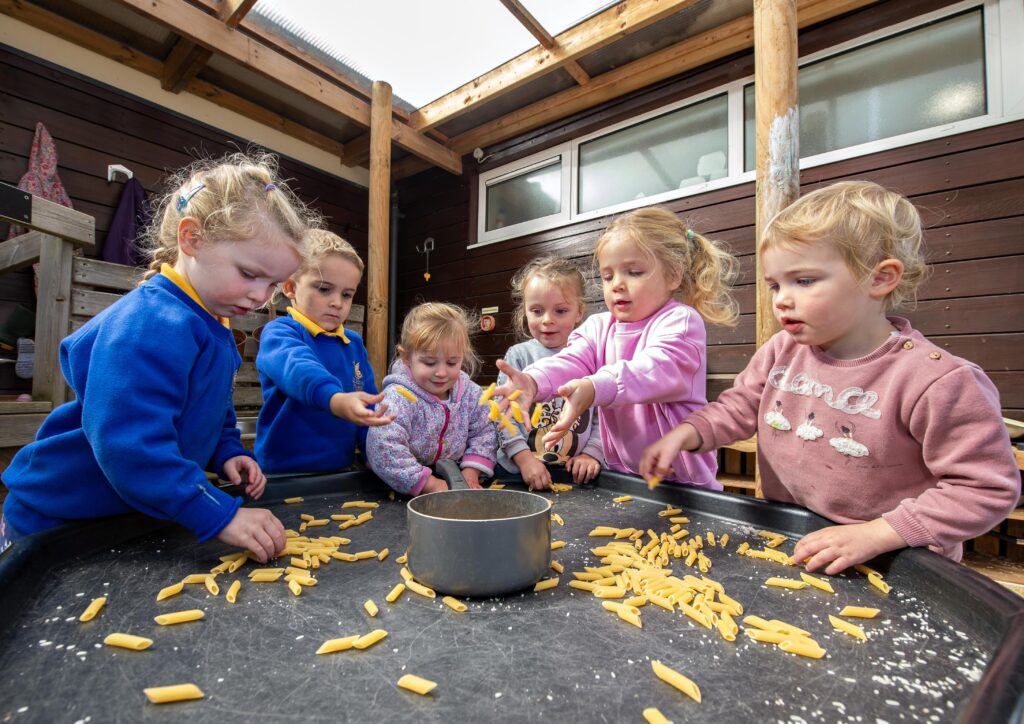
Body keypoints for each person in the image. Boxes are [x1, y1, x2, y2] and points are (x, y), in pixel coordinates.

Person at [640, 180, 1020, 573]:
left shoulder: (936, 380)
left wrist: (879, 533)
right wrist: (687, 433)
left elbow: (986, 488)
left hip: (897, 562)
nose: (782, 299)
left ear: (880, 278)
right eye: (775, 285)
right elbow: (738, 409)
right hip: (796, 541)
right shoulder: (781, 352)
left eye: (804, 281)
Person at [0, 153, 312, 562]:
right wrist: (219, 515)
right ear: (191, 239)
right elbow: (129, 443)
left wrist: (228, 451)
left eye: (272, 283)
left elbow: (212, 408)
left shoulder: (212, 321)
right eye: (249, 274)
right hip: (56, 521)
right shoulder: (151, 322)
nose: (260, 295)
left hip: (125, 516)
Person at [495, 207, 738, 487]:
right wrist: (534, 381)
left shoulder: (681, 322)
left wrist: (594, 387)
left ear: (673, 276)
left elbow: (653, 370)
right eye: (608, 276)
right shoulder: (598, 327)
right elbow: (571, 360)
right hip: (624, 474)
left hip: (684, 482)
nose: (617, 285)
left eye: (633, 272)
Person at [255, 229, 393, 474]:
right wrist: (335, 400)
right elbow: (299, 369)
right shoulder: (280, 333)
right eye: (324, 289)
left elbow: (368, 404)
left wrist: (372, 454)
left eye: (347, 294)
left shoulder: (353, 343)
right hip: (282, 473)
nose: (337, 302)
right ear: (290, 287)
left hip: (342, 469)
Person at [366, 302, 498, 495]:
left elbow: (486, 430)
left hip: (457, 475)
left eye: (452, 362)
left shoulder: (470, 394)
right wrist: (430, 484)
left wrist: (471, 471)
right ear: (406, 357)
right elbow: (384, 445)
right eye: (429, 362)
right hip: (403, 487)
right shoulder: (398, 398)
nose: (442, 373)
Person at [497, 256, 603, 489]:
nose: (547, 320)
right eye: (536, 311)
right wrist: (524, 460)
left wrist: (592, 454)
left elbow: (604, 419)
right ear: (525, 311)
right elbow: (504, 416)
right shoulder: (519, 356)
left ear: (578, 312)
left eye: (560, 311)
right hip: (517, 475)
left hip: (576, 476)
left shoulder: (593, 358)